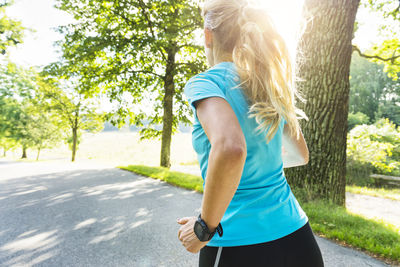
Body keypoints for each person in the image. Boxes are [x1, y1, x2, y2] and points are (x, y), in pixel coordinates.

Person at [177, 0, 324, 266]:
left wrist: (204, 226)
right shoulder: (267, 84)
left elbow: (232, 149)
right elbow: (300, 154)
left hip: (238, 244)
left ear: (208, 35)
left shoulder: (207, 82)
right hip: (298, 238)